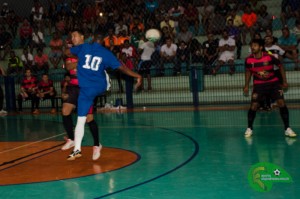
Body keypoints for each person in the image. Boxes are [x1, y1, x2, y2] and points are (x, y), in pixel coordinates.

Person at [65, 29, 142, 160]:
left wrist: (74, 52)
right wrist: (137, 76)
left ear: (92, 39)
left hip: (86, 89)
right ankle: (78, 148)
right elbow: (122, 68)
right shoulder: (106, 53)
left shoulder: (83, 47)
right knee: (83, 118)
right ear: (103, 42)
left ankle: (77, 148)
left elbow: (67, 52)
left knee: (80, 120)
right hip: (98, 87)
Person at [243, 39, 297, 138]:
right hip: (259, 85)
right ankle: (249, 128)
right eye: (251, 45)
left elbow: (280, 66)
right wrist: (246, 85)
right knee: (254, 105)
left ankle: (287, 128)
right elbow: (248, 72)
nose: (252, 47)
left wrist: (284, 81)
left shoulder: (269, 57)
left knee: (281, 103)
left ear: (260, 47)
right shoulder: (248, 60)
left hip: (273, 84)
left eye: (255, 45)